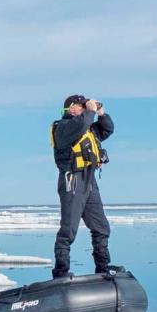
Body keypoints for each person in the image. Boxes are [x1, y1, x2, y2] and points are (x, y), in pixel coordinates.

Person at [51, 95, 114, 278]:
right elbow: (80, 125)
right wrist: (91, 111)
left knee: (101, 227)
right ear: (71, 108)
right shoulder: (63, 128)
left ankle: (102, 269)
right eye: (82, 106)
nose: (86, 109)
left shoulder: (89, 128)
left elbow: (108, 129)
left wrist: (100, 112)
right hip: (73, 180)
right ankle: (61, 273)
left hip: (89, 181)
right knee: (68, 230)